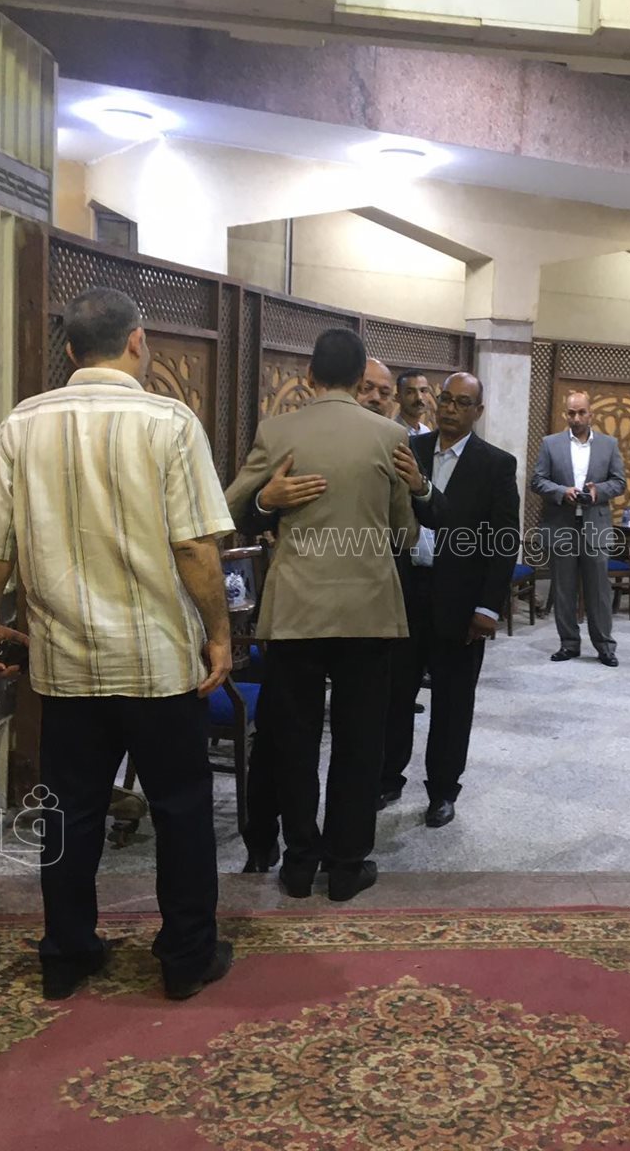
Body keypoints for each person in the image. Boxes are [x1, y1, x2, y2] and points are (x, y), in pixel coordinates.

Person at [0, 286, 236, 1003]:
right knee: (180, 808)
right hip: (158, 664)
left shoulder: (24, 423)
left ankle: (66, 953)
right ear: (138, 341)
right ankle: (185, 957)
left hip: (67, 665)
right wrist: (219, 634)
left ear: (69, 350)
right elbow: (194, 547)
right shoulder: (170, 421)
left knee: (71, 812)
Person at [227, 328, 417, 903]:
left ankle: (298, 862)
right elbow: (405, 533)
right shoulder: (391, 436)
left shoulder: (277, 432)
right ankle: (346, 865)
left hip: (297, 612)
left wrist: (268, 503)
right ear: (361, 380)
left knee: (294, 739)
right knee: (361, 741)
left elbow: (230, 508)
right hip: (368, 610)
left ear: (309, 376)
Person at [387, 373, 519, 827]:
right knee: (395, 693)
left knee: (452, 701)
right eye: (444, 399)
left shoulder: (495, 464)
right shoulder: (410, 450)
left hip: (460, 601)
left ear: (477, 412)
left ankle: (443, 790)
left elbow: (504, 540)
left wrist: (488, 607)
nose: (449, 408)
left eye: (462, 402)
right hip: (406, 593)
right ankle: (387, 777)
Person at [531, 390, 627, 667]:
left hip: (595, 526)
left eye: (581, 412)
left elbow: (619, 482)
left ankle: (605, 647)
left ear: (590, 414)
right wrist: (562, 491)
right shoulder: (550, 444)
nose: (576, 418)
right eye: (571, 413)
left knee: (599, 591)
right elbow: (537, 480)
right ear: (566, 415)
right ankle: (569, 644)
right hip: (561, 525)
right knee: (564, 590)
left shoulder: (609, 445)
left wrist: (599, 491)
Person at [396, 368, 434, 435]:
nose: (419, 397)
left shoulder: (426, 431)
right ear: (398, 397)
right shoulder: (391, 430)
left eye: (423, 391)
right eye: (410, 392)